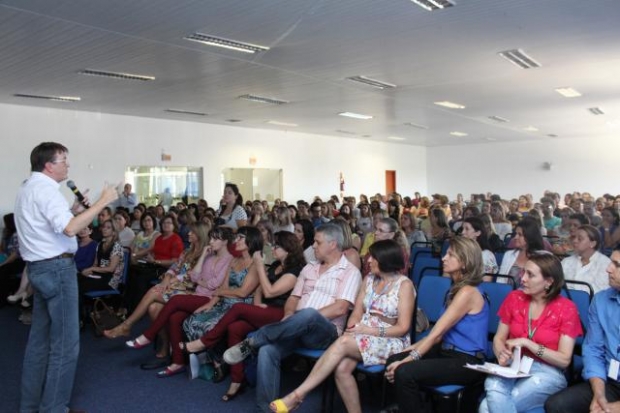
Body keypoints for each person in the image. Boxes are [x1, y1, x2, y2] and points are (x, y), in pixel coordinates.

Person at [14, 142, 118, 413]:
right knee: (65, 346)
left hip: (38, 270)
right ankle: (54, 408)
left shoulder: (28, 187)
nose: (68, 166)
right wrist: (103, 202)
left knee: (39, 343)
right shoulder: (47, 191)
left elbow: (54, 225)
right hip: (57, 271)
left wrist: (73, 210)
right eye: (64, 161)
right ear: (49, 165)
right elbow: (71, 230)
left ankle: (31, 406)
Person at [222, 223, 362, 413]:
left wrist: (304, 317)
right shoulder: (309, 268)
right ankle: (265, 408)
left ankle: (252, 341)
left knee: (309, 314)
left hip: (325, 333)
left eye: (317, 242)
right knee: (267, 351)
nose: (313, 246)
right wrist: (289, 315)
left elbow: (341, 308)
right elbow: (293, 299)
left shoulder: (350, 272)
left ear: (333, 244)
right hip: (296, 327)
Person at [270, 239, 415, 412]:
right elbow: (357, 312)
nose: (368, 261)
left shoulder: (404, 285)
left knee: (343, 343)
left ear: (386, 259)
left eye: (373, 258)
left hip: (391, 340)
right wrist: (351, 328)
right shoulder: (369, 279)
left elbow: (403, 327)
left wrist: (366, 330)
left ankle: (297, 396)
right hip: (363, 333)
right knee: (341, 369)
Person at [180, 231, 305, 401]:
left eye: (277, 246)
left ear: (288, 249)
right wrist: (257, 304)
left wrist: (259, 265)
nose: (273, 249)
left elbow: (270, 290)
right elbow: (260, 290)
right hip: (265, 310)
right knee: (235, 328)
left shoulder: (294, 271)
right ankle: (237, 380)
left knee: (238, 307)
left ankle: (203, 342)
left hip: (281, 314)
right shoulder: (276, 264)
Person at [383, 237, 489, 412]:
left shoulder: (468, 292)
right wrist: (403, 353)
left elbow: (436, 334)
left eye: (450, 255)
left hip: (467, 361)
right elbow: (436, 332)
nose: (443, 258)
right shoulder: (454, 289)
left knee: (404, 371)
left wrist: (410, 358)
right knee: (394, 359)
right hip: (446, 352)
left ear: (464, 262)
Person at [117, 226, 234, 374]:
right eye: (210, 238)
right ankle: (177, 362)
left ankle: (148, 335)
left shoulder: (229, 259)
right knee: (174, 317)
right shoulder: (209, 257)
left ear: (225, 241)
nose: (211, 242)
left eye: (215, 239)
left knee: (176, 300)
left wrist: (203, 281)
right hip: (198, 295)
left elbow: (215, 284)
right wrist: (203, 256)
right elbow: (195, 277)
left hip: (210, 299)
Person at [479, 253, 583, 413]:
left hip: (548, 372)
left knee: (486, 407)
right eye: (523, 272)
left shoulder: (566, 308)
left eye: (530, 275)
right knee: (492, 384)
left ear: (549, 282)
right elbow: (499, 338)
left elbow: (564, 359)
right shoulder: (514, 298)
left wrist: (528, 343)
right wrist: (501, 353)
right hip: (513, 365)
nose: (523, 279)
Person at [544, 245, 620, 413]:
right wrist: (599, 394)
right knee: (557, 405)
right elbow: (593, 348)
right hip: (611, 382)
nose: (608, 268)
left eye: (617, 264)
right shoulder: (601, 300)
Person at [561, 225, 611, 294]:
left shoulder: (605, 264)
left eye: (580, 239)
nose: (575, 241)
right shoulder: (566, 262)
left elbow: (601, 291)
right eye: (574, 237)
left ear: (592, 244)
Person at [499, 218, 546, 285]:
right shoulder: (508, 255)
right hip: (509, 294)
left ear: (530, 237)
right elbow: (500, 280)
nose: (515, 237)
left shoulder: (543, 257)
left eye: (520, 235)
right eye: (515, 234)